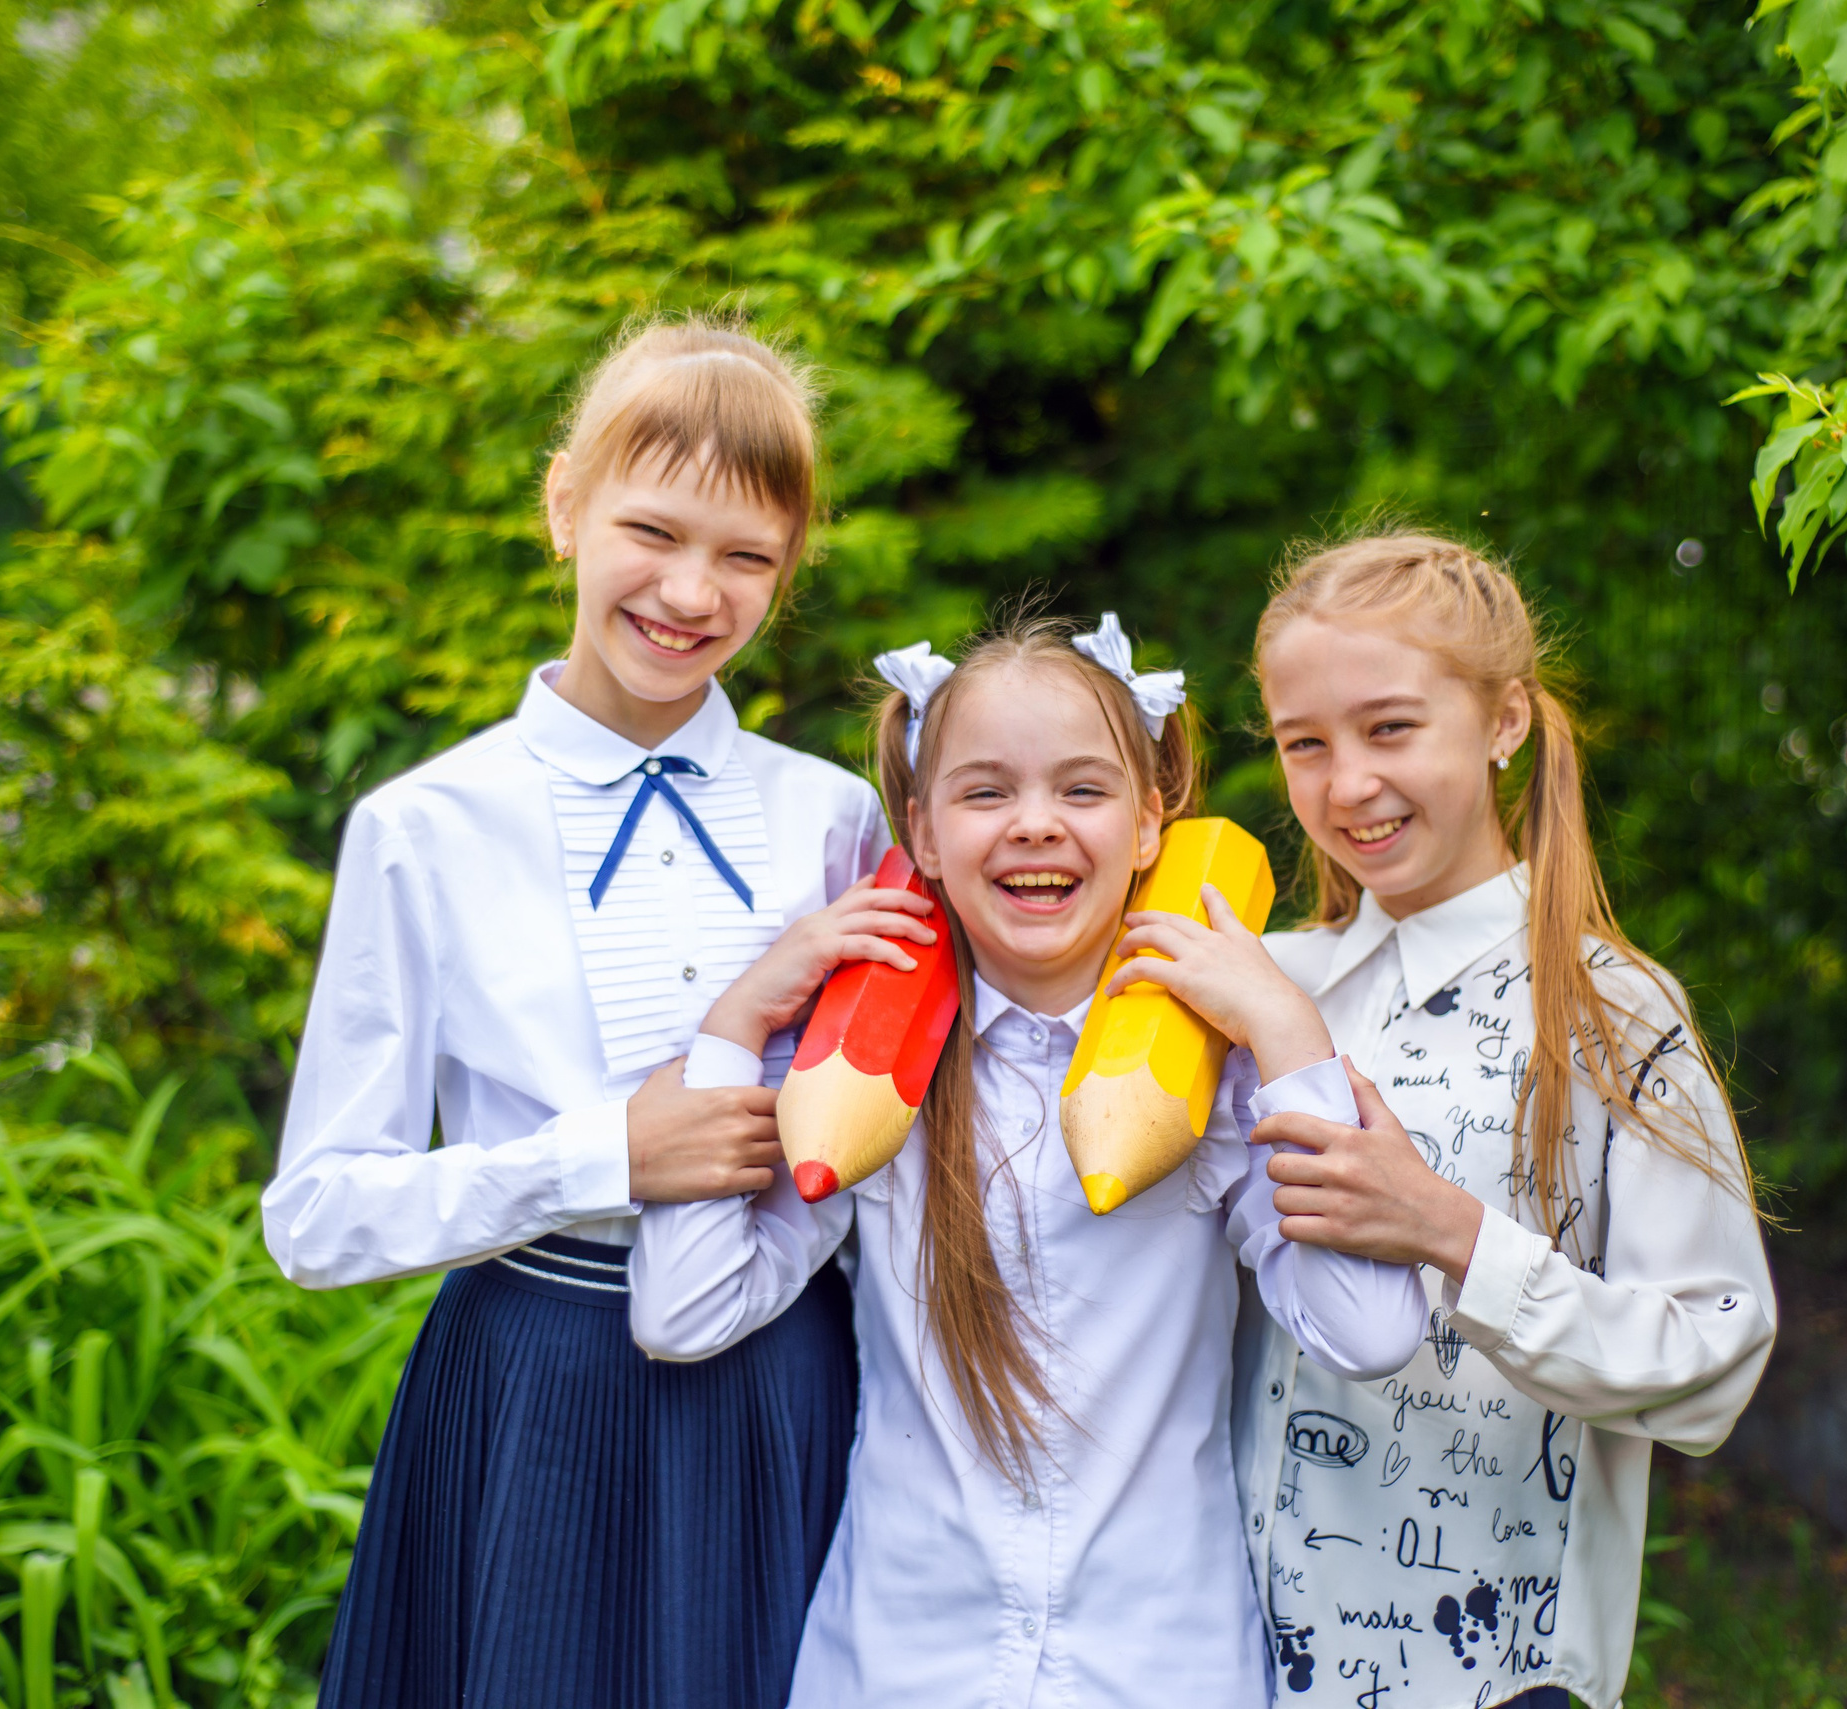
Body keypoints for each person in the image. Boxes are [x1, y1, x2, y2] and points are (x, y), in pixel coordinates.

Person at [265, 317, 935, 1709]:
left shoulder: (832, 817)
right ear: (565, 503)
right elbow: (319, 1215)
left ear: (789, 573)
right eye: (654, 530)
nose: (693, 591)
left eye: (747, 556)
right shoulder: (425, 828)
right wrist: (605, 1156)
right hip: (535, 1394)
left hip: (784, 1381)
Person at [629, 615, 1429, 1707]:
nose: (1035, 826)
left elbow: (1369, 1329)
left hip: (1158, 1663)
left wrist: (1288, 1037)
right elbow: (683, 1311)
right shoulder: (862, 1082)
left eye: (1084, 790)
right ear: (918, 829)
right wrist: (736, 1024)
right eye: (985, 792)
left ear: (1152, 822)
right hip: (904, 1661)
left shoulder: (1218, 1073)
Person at [1234, 532, 1777, 1709]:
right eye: (1303, 743)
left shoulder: (1612, 1014)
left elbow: (1709, 1364)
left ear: (1504, 721)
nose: (1346, 784)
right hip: (1225, 1656)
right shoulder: (1266, 989)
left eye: (1390, 728)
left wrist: (1452, 1233)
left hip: (1489, 1677)